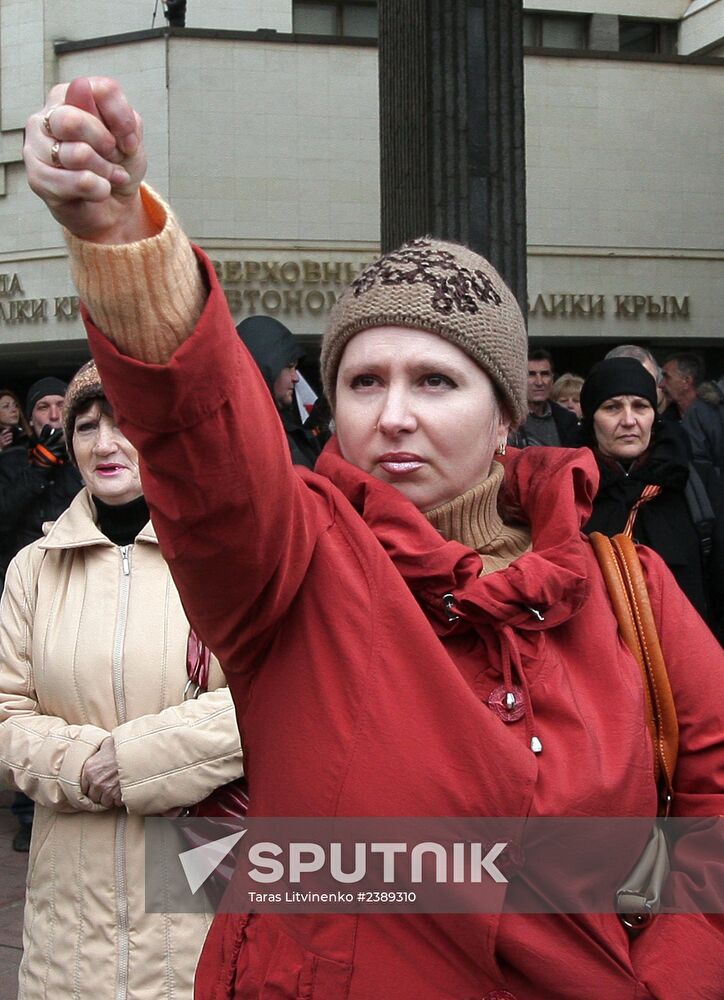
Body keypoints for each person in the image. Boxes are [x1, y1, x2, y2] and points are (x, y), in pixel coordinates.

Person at [22, 76, 724, 1000]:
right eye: (363, 382)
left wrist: (652, 969)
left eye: (436, 381)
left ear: (505, 415)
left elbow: (707, 819)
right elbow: (207, 448)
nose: (393, 415)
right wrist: (123, 241)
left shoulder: (631, 590)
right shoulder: (293, 568)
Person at [0, 360, 243, 999]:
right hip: (67, 932)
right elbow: (6, 716)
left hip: (195, 914)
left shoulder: (224, 558)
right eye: (86, 426)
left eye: (125, 422)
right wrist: (82, 767)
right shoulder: (32, 570)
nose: (105, 444)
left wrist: (136, 761)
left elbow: (266, 703)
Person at [580, 357, 723, 640]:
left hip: (686, 653)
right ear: (590, 418)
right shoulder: (570, 488)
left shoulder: (697, 484)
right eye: (612, 407)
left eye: (640, 406)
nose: (629, 420)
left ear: (653, 417)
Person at [0, 377, 83, 852]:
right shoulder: (13, 462)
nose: (53, 414)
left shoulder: (82, 461)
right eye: (43, 407)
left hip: (72, 592)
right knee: (24, 697)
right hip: (24, 595)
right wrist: (35, 471)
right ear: (31, 418)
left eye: (59, 405)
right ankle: (28, 811)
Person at [236, 314, 325, 468]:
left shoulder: (290, 432)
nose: (295, 378)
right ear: (266, 367)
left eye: (295, 368)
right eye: (289, 367)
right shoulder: (249, 439)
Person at [518, 349, 579, 446]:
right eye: (531, 374)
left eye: (544, 374)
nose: (539, 382)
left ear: (552, 380)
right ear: (519, 379)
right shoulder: (507, 420)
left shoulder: (567, 420)